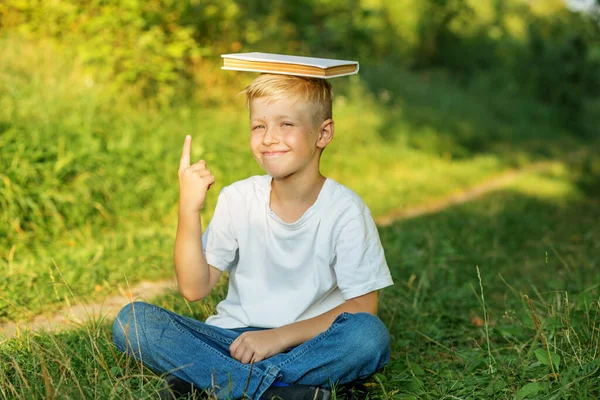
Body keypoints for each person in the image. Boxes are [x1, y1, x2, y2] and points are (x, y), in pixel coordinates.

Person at [112, 73, 394, 400]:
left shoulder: (346, 210)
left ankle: (212, 381)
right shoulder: (238, 198)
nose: (269, 138)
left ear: (323, 133)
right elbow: (193, 288)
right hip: (231, 341)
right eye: (259, 126)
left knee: (368, 337)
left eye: (286, 124)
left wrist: (276, 338)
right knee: (132, 321)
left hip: (306, 344)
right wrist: (188, 209)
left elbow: (363, 306)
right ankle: (278, 392)